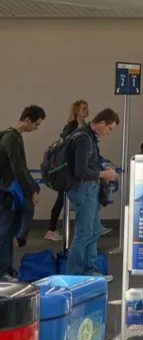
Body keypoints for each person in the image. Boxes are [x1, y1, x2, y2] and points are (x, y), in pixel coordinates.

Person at [65, 109, 120, 277]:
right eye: (110, 128)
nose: (109, 132)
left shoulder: (88, 136)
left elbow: (90, 162)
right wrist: (104, 174)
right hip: (83, 189)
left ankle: (89, 270)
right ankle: (74, 275)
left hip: (89, 189)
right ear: (102, 123)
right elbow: (80, 171)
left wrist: (103, 166)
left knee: (94, 230)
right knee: (84, 233)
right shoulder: (83, 138)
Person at [0, 106, 45, 278]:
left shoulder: (9, 135)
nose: (36, 128)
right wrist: (32, 191)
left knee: (8, 232)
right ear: (27, 120)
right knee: (4, 233)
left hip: (5, 190)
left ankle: (7, 267)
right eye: (36, 124)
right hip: (6, 192)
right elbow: (19, 170)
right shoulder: (12, 138)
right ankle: (3, 271)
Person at [46, 100, 88, 241]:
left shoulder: (85, 126)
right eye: (84, 108)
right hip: (68, 169)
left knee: (81, 197)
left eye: (87, 108)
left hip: (77, 168)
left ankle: (92, 224)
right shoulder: (71, 127)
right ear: (76, 111)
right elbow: (67, 147)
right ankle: (51, 230)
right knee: (61, 199)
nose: (87, 111)